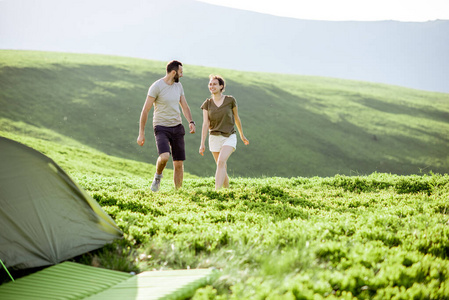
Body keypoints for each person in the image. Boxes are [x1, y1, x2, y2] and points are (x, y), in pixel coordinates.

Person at [137, 60, 196, 192]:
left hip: (177, 126)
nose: (182, 75)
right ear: (174, 72)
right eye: (180, 72)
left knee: (179, 163)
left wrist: (191, 122)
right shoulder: (157, 86)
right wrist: (141, 133)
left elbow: (184, 106)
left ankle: (178, 192)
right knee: (164, 157)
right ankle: (158, 177)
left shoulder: (178, 87)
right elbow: (145, 110)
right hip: (161, 127)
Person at [199, 75, 249, 190]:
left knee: (221, 162)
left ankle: (217, 191)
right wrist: (202, 143)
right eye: (210, 84)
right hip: (214, 137)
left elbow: (236, 118)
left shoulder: (230, 100)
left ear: (221, 86)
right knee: (221, 166)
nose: (212, 86)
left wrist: (242, 135)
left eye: (215, 84)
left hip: (229, 136)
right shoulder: (207, 103)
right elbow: (205, 124)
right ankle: (227, 191)